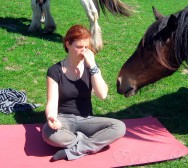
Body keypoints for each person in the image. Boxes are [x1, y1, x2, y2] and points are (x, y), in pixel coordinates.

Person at [42, 24, 126, 162]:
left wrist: (93, 66)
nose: (84, 52)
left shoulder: (90, 67)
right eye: (79, 47)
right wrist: (51, 117)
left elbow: (102, 95)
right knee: (48, 134)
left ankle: (74, 149)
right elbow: (52, 101)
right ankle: (89, 141)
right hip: (64, 120)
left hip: (86, 119)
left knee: (119, 127)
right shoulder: (55, 71)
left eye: (86, 47)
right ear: (68, 44)